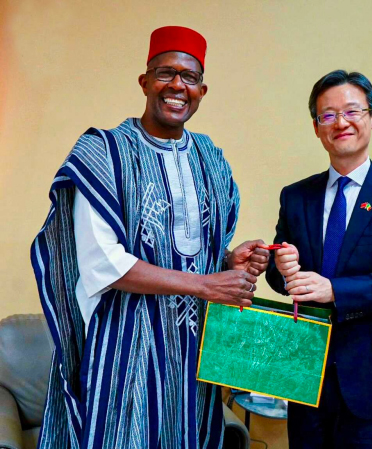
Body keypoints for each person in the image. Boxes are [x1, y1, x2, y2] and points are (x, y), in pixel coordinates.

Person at [31, 26, 269, 449]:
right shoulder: (103, 153)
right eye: (165, 73)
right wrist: (205, 285)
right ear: (144, 82)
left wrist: (229, 260)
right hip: (126, 342)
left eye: (189, 77)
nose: (177, 85)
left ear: (202, 91)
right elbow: (103, 263)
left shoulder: (211, 157)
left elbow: (196, 251)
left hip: (195, 348)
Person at [266, 70, 372, 449]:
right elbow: (281, 280)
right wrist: (281, 269)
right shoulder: (296, 196)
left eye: (351, 111)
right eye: (327, 115)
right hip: (306, 372)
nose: (340, 122)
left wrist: (334, 290)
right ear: (316, 128)